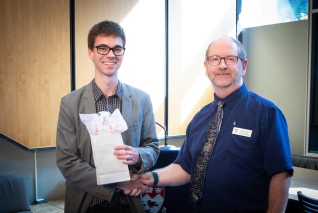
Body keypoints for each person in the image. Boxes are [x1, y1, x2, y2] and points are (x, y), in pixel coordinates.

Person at [137, 37, 293, 213]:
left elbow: (280, 174)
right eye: (215, 59)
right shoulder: (200, 118)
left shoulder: (267, 113)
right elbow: (185, 168)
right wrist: (149, 178)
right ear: (206, 67)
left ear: (244, 66)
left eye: (230, 58)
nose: (222, 65)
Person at [56, 20, 159, 213]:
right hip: (87, 204)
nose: (111, 55)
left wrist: (138, 156)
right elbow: (67, 161)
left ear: (123, 53)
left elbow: (152, 147)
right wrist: (117, 184)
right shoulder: (70, 103)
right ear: (90, 53)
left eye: (117, 49)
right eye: (102, 48)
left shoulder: (142, 100)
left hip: (129, 204)